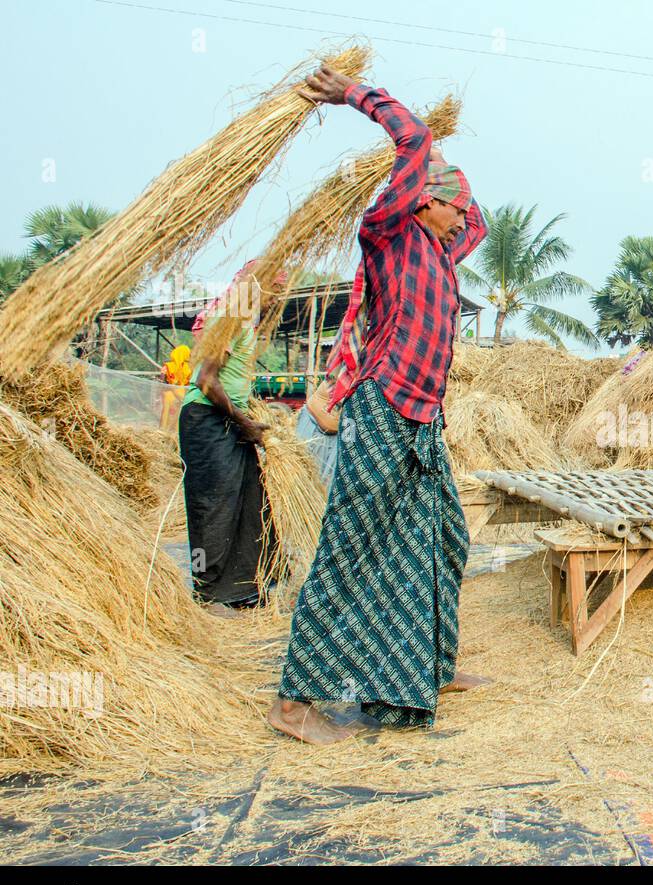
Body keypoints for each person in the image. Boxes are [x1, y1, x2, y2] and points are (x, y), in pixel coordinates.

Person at [268, 64, 491, 746]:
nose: (463, 216)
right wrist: (352, 96)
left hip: (424, 428)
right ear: (421, 201)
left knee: (449, 538)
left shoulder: (442, 253)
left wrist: (447, 168)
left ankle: (427, 665)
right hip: (382, 413)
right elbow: (413, 140)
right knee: (349, 548)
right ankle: (295, 701)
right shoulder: (389, 235)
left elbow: (475, 216)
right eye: (450, 202)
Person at [177, 265, 285, 612]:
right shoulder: (230, 317)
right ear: (256, 287)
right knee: (211, 507)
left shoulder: (245, 320)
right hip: (207, 422)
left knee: (250, 503)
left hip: (230, 422)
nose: (277, 300)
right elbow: (207, 381)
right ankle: (207, 591)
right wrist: (243, 421)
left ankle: (243, 589)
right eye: (275, 290)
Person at [159, 344, 191, 431]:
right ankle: (167, 431)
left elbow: (162, 381)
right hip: (174, 394)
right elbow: (162, 382)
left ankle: (169, 431)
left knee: (173, 412)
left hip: (176, 394)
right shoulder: (168, 367)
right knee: (172, 411)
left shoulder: (186, 368)